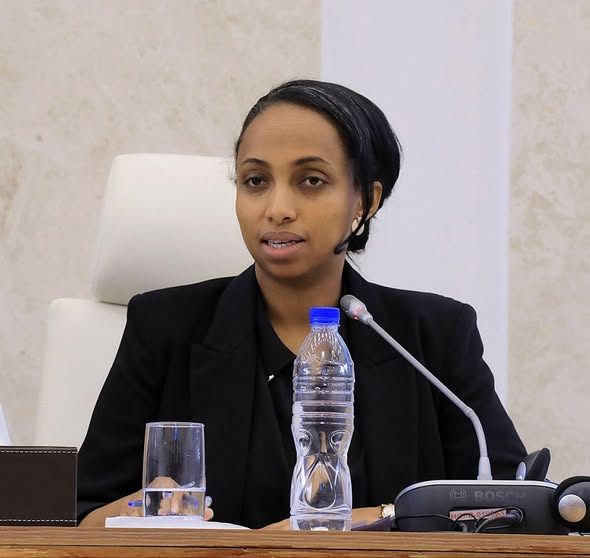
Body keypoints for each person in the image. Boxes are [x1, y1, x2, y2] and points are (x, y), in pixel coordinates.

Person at [77, 80, 526, 528]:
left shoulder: (433, 336)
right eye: (256, 181)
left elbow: (514, 509)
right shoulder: (164, 328)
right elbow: (74, 517)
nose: (277, 208)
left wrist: (369, 520)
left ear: (366, 200)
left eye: (311, 181)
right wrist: (142, 512)